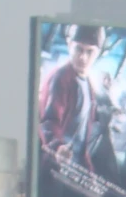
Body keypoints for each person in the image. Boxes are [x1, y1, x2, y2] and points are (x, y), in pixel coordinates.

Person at [38, 25, 105, 168]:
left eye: (90, 52)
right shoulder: (60, 78)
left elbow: (83, 134)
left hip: (75, 165)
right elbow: (49, 121)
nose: (83, 57)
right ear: (69, 45)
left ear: (98, 53)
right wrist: (57, 147)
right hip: (56, 164)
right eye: (79, 49)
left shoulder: (88, 84)